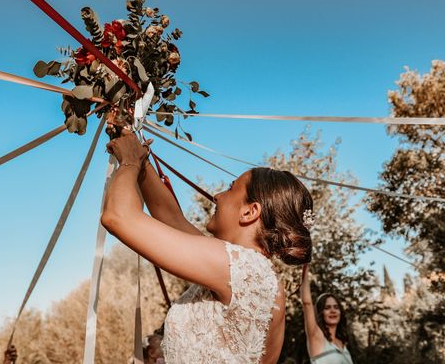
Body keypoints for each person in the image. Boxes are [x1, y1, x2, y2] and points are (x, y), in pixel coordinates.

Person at [102, 130, 313, 363]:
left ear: (249, 212)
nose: (218, 196)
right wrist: (141, 157)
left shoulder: (242, 269)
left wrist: (129, 162)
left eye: (231, 189)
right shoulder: (257, 276)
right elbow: (172, 219)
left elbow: (118, 217)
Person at [300, 265, 354, 364]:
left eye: (336, 307)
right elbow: (307, 303)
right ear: (321, 312)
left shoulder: (343, 343)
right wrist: (306, 265)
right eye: (327, 308)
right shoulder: (317, 338)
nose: (333, 310)